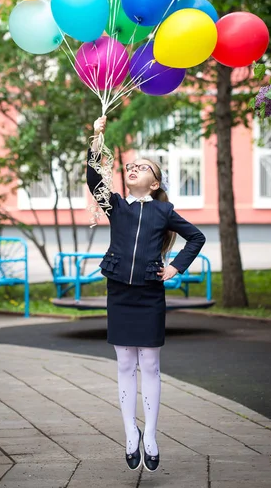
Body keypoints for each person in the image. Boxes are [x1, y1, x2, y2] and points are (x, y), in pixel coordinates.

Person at [87, 116, 206, 473]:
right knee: (125, 364)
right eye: (132, 166)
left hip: (150, 296)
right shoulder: (117, 206)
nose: (134, 168)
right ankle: (130, 434)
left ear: (154, 183)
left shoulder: (163, 211)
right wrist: (97, 136)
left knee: (150, 365)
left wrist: (176, 267)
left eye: (143, 167)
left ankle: (150, 436)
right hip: (120, 293)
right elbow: (96, 180)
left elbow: (196, 237)